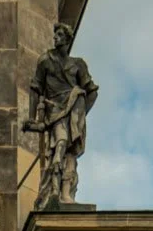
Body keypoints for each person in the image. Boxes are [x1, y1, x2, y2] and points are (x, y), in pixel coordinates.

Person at [25, 24, 98, 209]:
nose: (55, 38)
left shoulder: (78, 64)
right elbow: (36, 88)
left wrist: (81, 114)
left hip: (74, 108)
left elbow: (92, 92)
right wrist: (32, 118)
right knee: (60, 145)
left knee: (70, 151)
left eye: (59, 35)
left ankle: (65, 193)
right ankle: (54, 191)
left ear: (67, 39)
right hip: (55, 110)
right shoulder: (45, 60)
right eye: (55, 35)